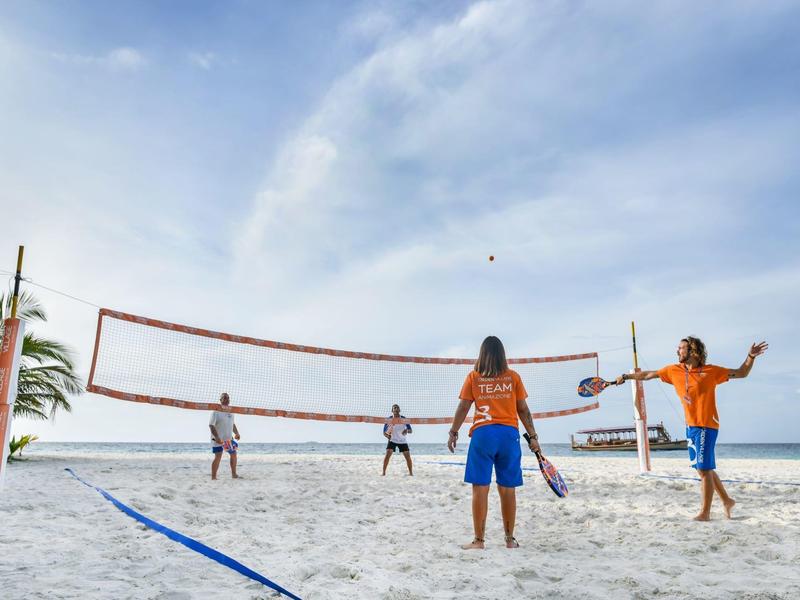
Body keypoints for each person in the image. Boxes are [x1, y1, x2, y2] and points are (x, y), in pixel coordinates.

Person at [615, 337, 768, 521]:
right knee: (703, 469)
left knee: (704, 470)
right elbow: (649, 375)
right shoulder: (674, 370)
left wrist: (751, 356)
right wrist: (626, 376)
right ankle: (727, 501)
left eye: (681, 348)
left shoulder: (712, 371)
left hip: (707, 425)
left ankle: (705, 513)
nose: (677, 351)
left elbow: (742, 372)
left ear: (693, 351)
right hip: (691, 426)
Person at [447, 336, 540, 549]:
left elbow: (463, 408)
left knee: (480, 488)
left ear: (482, 354)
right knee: (507, 489)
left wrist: (453, 432)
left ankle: (479, 541)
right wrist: (533, 437)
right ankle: (510, 540)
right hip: (509, 436)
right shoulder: (513, 377)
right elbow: (523, 410)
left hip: (483, 435)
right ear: (502, 355)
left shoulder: (474, 377)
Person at [209, 392, 241, 480]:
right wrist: (217, 437)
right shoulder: (216, 411)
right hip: (217, 438)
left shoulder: (231, 411)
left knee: (233, 454)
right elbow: (211, 425)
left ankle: (234, 474)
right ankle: (213, 477)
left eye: (228, 398)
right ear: (220, 400)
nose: (226, 399)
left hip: (228, 439)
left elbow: (232, 424)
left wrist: (237, 433)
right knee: (218, 456)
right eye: (224, 398)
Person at [382, 404, 413, 476]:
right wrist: (388, 436)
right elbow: (384, 432)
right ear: (392, 411)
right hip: (392, 440)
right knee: (387, 456)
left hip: (402, 440)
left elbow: (410, 430)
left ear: (399, 410)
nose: (396, 409)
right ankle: (383, 472)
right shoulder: (389, 419)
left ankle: (411, 473)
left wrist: (406, 430)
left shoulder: (404, 419)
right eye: (394, 408)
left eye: (397, 408)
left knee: (408, 457)